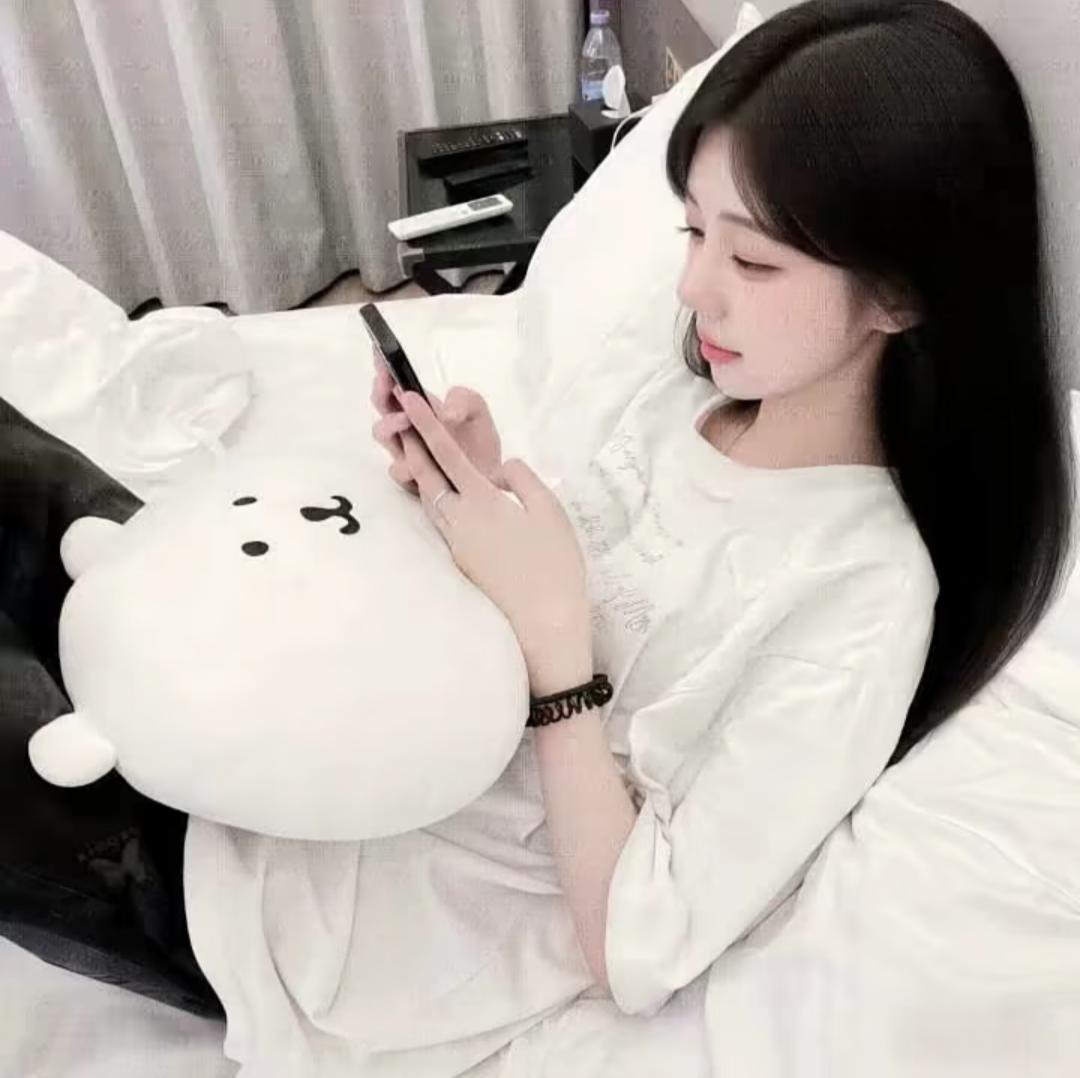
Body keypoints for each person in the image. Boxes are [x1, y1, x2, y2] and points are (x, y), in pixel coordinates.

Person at [8, 0, 1073, 1074]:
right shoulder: (683, 390)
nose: (694, 287)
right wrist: (463, 492)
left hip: (297, 892)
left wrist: (560, 656)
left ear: (900, 294)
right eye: (693, 232)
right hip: (261, 658)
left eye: (753, 263)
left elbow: (637, 949)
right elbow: (549, 586)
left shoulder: (859, 598)